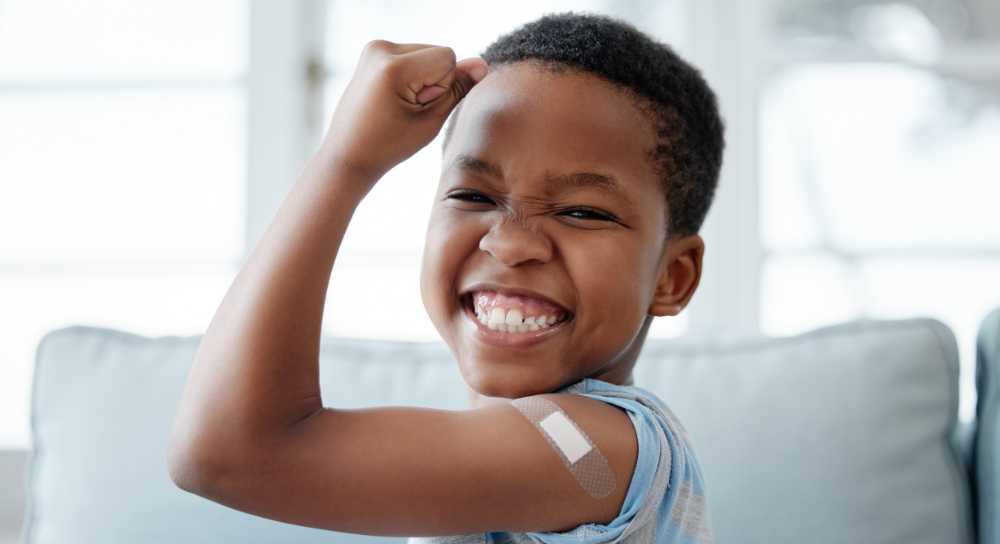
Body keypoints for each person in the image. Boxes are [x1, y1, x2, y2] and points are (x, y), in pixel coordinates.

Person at [168, 12, 724, 544]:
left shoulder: (599, 451)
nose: (507, 241)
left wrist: (345, 161)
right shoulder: (523, 456)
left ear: (672, 278)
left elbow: (227, 453)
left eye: (582, 212)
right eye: (472, 196)